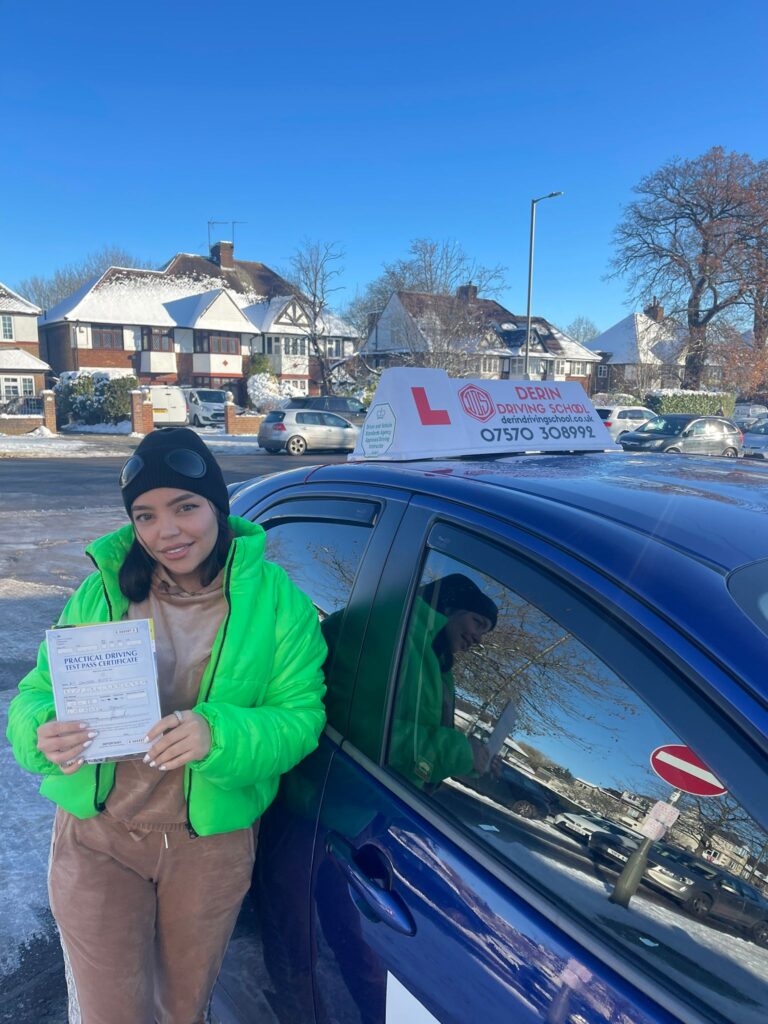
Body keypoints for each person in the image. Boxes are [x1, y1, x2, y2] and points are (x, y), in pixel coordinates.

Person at [6, 427, 327, 1024]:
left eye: (186, 507)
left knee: (181, 1010)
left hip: (206, 847)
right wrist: (40, 731)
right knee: (110, 1014)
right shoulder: (102, 591)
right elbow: (35, 694)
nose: (167, 532)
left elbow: (301, 717)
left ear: (218, 508)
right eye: (146, 516)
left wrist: (218, 735)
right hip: (98, 836)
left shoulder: (278, 601)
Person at [388, 573, 498, 790]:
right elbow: (368, 733)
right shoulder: (397, 637)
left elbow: (422, 732)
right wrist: (461, 752)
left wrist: (475, 758)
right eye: (477, 622)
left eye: (484, 632)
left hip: (387, 800)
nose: (478, 639)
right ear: (448, 608)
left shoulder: (440, 668)